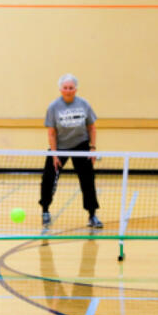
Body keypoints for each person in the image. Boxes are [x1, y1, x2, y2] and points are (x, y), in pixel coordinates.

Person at [39, 73, 101, 229]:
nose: (68, 90)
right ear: (60, 89)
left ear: (76, 89)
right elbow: (51, 132)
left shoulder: (84, 104)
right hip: (60, 147)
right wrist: (54, 154)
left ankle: (92, 215)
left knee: (87, 180)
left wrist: (92, 148)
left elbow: (92, 128)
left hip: (81, 145)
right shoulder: (53, 107)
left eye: (71, 88)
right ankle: (45, 211)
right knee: (48, 178)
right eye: (65, 88)